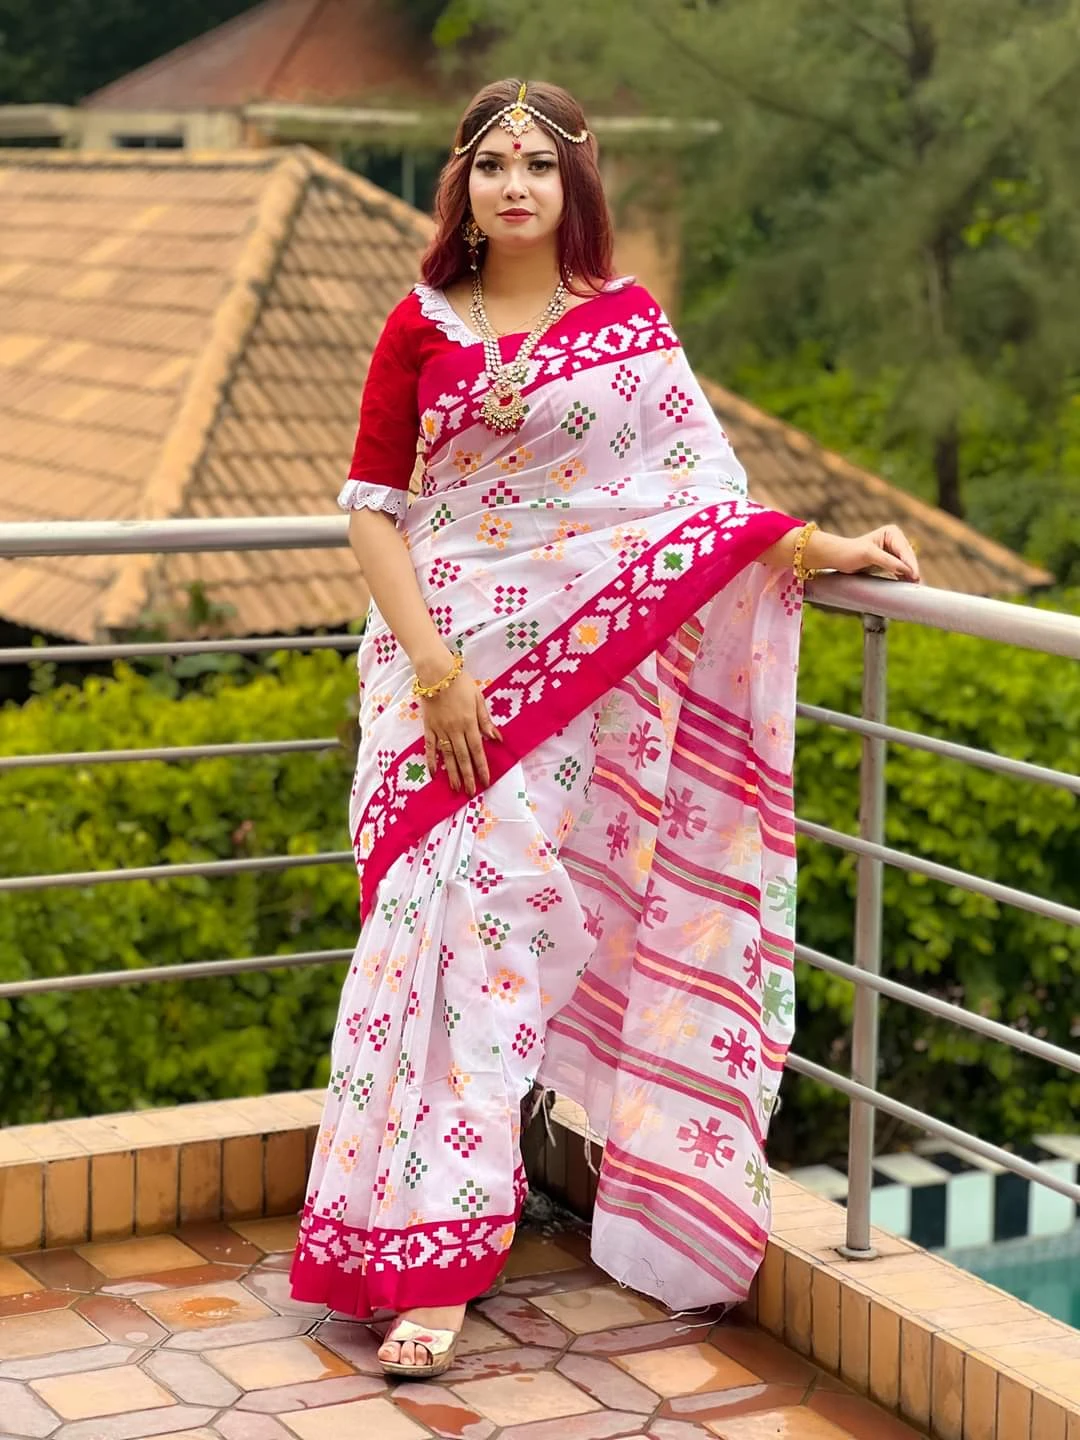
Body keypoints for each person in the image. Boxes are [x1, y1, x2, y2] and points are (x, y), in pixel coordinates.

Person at [288, 77, 919, 1379]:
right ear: (460, 185)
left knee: (494, 939)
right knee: (421, 934)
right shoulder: (419, 324)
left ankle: (439, 1264)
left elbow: (697, 503)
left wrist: (821, 549)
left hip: (566, 678)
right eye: (491, 163)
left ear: (575, 184)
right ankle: (389, 1236)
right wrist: (438, 670)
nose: (514, 185)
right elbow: (371, 511)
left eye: (539, 164)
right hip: (430, 675)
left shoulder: (628, 328)